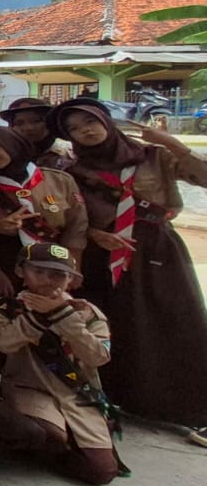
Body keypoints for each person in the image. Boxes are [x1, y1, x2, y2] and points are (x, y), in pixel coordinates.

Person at [50, 99, 207, 441]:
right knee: (115, 324)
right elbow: (72, 218)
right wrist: (95, 235)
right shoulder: (74, 171)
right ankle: (124, 398)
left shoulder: (153, 158)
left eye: (89, 122)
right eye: (74, 129)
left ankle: (190, 408)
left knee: (174, 321)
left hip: (156, 249)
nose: (84, 132)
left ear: (106, 121)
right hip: (102, 255)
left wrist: (171, 142)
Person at [0, 242, 124, 485]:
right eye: (38, 272)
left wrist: (64, 316)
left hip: (77, 395)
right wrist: (39, 317)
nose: (48, 280)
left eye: (58, 275)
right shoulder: (7, 308)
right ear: (21, 272)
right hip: (29, 389)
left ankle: (69, 445)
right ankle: (9, 416)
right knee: (46, 435)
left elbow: (99, 356)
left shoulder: (87, 313)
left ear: (71, 280)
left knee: (102, 472)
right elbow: (5, 344)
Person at [0, 126, 87, 310]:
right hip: (5, 261)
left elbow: (77, 225)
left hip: (56, 259)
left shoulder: (59, 180)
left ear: (11, 143)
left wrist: (73, 267)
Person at [0, 97, 70, 169]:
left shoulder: (70, 153)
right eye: (19, 123)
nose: (29, 128)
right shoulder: (4, 155)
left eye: (36, 121)